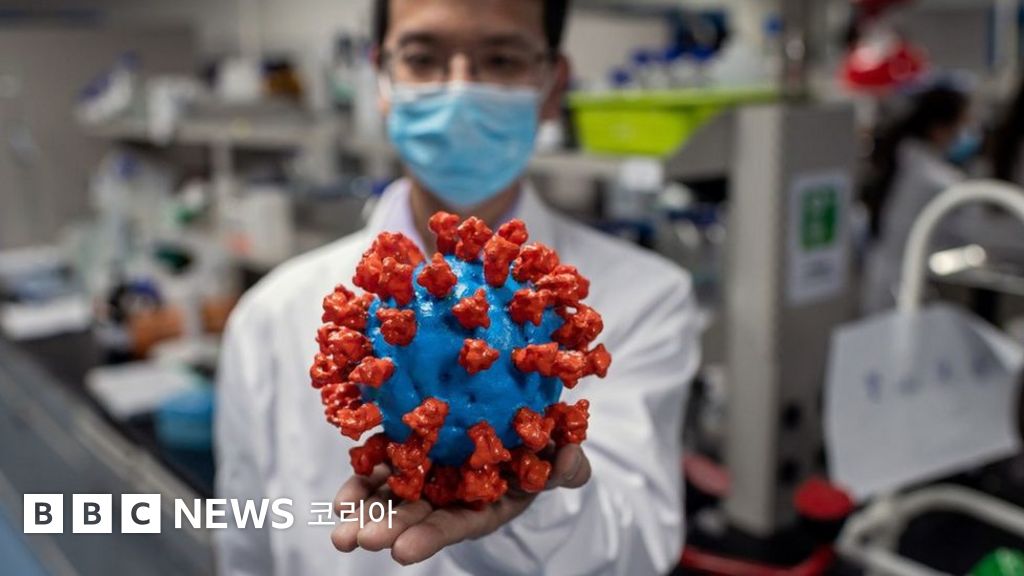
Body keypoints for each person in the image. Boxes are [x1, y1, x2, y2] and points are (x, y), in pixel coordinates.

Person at [214, 1, 701, 574]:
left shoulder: (648, 297)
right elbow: (244, 541)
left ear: (552, 85)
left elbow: (641, 542)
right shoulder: (272, 313)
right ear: (382, 79)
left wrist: (533, 503)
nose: (460, 89)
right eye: (423, 58)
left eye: (501, 59)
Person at [861, 86, 974, 313]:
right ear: (939, 128)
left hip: (885, 274)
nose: (963, 134)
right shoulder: (933, 177)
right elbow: (974, 225)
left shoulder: (905, 156)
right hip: (898, 281)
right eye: (960, 125)